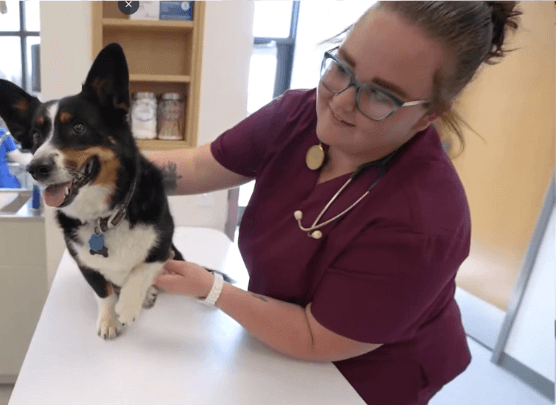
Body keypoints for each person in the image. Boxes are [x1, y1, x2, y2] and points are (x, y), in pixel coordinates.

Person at [149, 2, 521, 404]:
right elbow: (201, 166)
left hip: (365, 374)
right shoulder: (296, 116)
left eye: (380, 95)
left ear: (427, 116)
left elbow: (315, 337)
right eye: (342, 68)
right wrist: (105, 173)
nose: (341, 101)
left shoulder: (424, 221)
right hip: (279, 340)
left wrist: (213, 290)